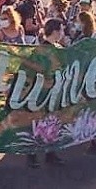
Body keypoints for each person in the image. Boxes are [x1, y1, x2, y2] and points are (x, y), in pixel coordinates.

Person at [28, 18, 68, 168]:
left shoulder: (58, 47)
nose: (63, 33)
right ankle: (31, 154)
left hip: (54, 92)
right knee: (36, 124)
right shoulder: (41, 50)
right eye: (62, 30)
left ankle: (50, 153)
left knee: (52, 123)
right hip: (40, 93)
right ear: (56, 31)